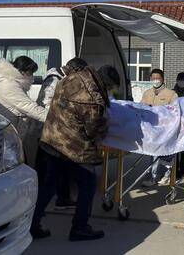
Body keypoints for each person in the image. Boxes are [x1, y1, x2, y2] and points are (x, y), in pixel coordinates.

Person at [31, 65, 119, 242]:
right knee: (88, 183)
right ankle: (80, 227)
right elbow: (93, 130)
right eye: (110, 88)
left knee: (50, 184)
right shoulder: (92, 100)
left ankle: (32, 224)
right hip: (72, 147)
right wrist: (105, 125)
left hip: (51, 138)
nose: (109, 92)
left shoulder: (72, 78)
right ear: (105, 84)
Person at [34, 58, 88, 211]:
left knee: (60, 168)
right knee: (48, 170)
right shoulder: (53, 80)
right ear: (73, 69)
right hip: (48, 131)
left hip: (57, 131)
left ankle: (62, 198)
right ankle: (39, 204)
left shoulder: (62, 78)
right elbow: (44, 103)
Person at [0, 56, 48, 160]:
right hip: (3, 134)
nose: (32, 77)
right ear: (22, 71)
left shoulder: (11, 81)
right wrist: (55, 118)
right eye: (30, 72)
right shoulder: (9, 85)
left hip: (5, 132)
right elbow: (30, 108)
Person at [140, 68, 178, 187]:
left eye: (158, 78)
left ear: (162, 79)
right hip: (150, 129)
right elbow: (141, 108)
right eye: (153, 78)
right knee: (151, 153)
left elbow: (175, 112)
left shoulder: (171, 94)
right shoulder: (147, 93)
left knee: (165, 154)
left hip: (165, 130)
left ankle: (161, 176)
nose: (155, 80)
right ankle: (153, 174)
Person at [173, 72, 184, 178]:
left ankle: (183, 169)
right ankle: (174, 169)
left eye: (183, 80)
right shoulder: (172, 92)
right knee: (175, 149)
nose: (181, 82)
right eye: (180, 80)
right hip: (174, 124)